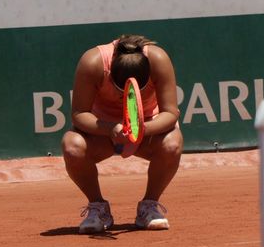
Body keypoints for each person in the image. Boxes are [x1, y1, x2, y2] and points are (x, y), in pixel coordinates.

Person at [61, 34, 183, 234]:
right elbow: (78, 114)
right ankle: (98, 208)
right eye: (119, 88)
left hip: (148, 129)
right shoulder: (93, 62)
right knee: (72, 145)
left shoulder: (159, 60)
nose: (122, 95)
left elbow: (171, 112)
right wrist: (111, 128)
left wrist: (142, 130)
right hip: (103, 132)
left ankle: (149, 206)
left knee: (172, 144)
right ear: (109, 74)